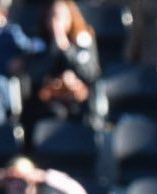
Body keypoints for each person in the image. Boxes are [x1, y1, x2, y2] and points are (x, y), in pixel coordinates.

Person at [24, 0, 101, 132]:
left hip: (79, 99)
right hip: (49, 101)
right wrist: (55, 46)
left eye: (60, 16)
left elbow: (91, 73)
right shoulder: (38, 42)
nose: (55, 21)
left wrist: (66, 49)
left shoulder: (83, 39)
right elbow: (35, 75)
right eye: (51, 16)